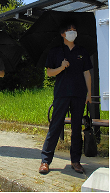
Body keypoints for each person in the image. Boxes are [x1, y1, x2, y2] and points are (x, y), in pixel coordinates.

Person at [39, 21, 93, 174]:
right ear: (62, 34)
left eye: (74, 30)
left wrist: (89, 93)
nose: (72, 32)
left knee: (76, 128)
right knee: (55, 126)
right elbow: (49, 73)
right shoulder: (55, 51)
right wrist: (61, 67)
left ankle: (76, 161)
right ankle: (45, 161)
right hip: (62, 93)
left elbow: (87, 73)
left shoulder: (82, 51)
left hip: (79, 94)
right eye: (69, 30)